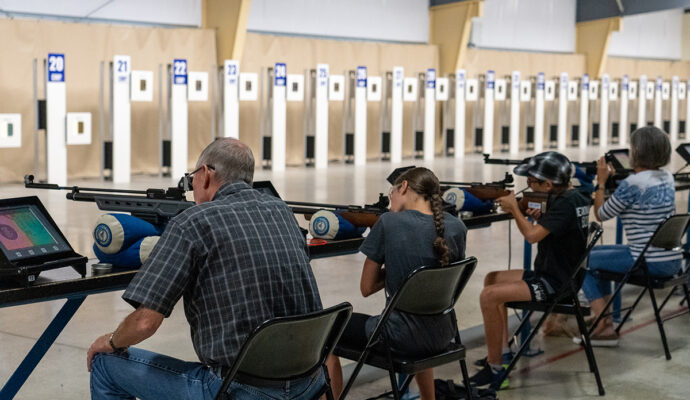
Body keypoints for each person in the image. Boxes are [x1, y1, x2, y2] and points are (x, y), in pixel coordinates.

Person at [87, 138, 325, 400]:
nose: (192, 187)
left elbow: (145, 323)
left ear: (206, 174)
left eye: (192, 178)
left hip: (238, 390)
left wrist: (109, 341)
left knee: (105, 364)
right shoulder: (282, 212)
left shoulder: (191, 222)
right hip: (309, 383)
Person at [326, 167, 468, 400]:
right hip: (443, 334)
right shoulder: (457, 227)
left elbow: (367, 287)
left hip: (399, 338)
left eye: (391, 190)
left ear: (403, 187)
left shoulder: (389, 223)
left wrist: (395, 268)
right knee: (421, 314)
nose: (389, 196)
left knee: (328, 330)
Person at [470, 152, 591, 388]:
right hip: (562, 275)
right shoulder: (576, 196)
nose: (527, 188)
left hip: (556, 284)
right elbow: (556, 227)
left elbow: (532, 236)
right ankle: (502, 352)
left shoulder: (564, 204)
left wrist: (515, 209)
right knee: (492, 279)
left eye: (532, 184)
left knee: (489, 296)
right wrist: (537, 214)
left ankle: (495, 370)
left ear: (547, 184)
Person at [583, 126, 681, 346]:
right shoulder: (667, 177)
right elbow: (637, 195)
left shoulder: (632, 184)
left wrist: (600, 183)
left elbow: (600, 214)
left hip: (647, 261)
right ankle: (605, 319)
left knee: (579, 261)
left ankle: (604, 325)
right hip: (672, 260)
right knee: (593, 255)